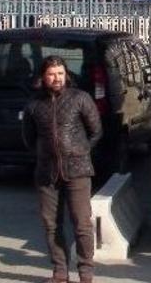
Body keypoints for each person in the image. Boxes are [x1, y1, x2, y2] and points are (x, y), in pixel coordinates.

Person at [22, 56, 103, 283]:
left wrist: (80, 151)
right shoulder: (34, 105)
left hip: (78, 171)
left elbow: (96, 131)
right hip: (47, 173)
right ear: (43, 77)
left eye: (60, 73)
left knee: (82, 224)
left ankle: (86, 274)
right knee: (51, 225)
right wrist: (45, 155)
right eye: (51, 74)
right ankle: (60, 273)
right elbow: (29, 138)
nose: (56, 78)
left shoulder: (80, 98)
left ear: (66, 75)